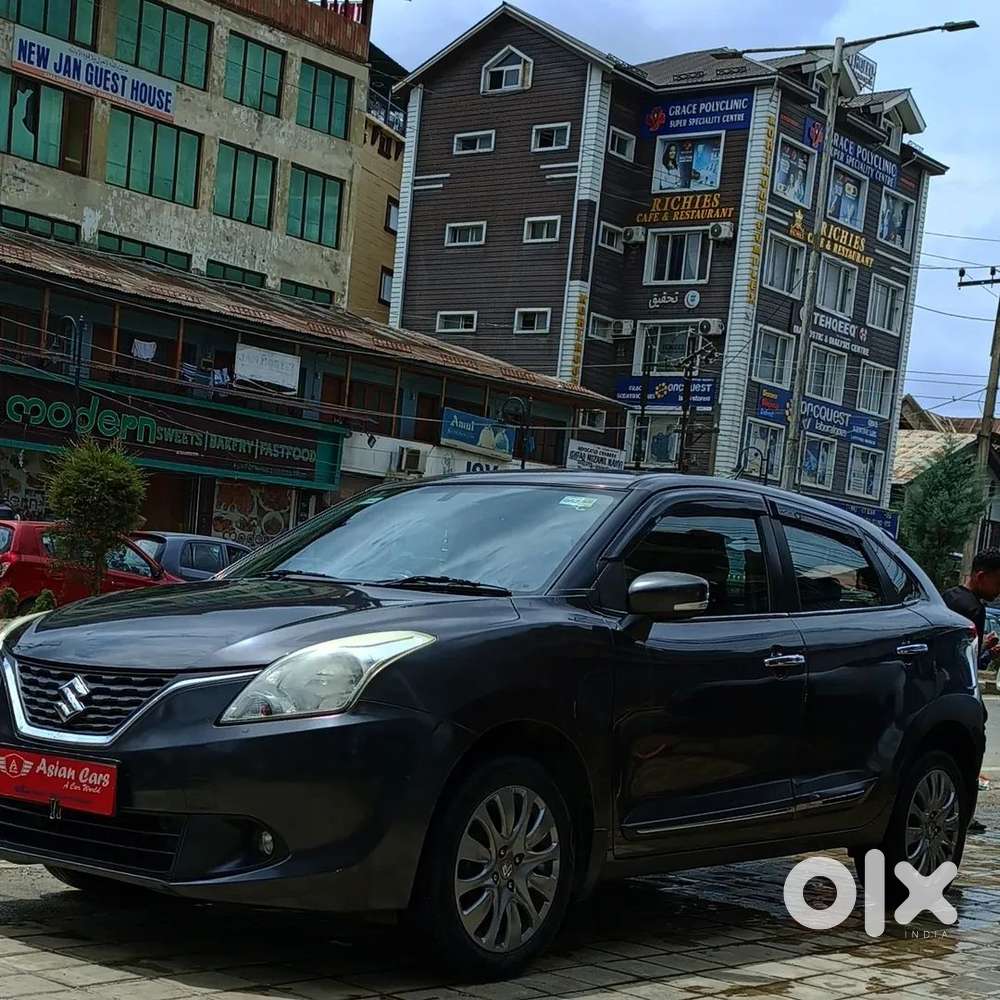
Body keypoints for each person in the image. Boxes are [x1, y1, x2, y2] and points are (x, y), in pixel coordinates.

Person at [942, 549, 1000, 833]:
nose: (999, 590)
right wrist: (986, 653)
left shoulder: (947, 597)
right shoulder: (974, 608)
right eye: (998, 582)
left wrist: (984, 648)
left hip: (940, 689)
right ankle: (963, 814)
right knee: (971, 752)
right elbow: (967, 658)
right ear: (980, 576)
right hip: (962, 692)